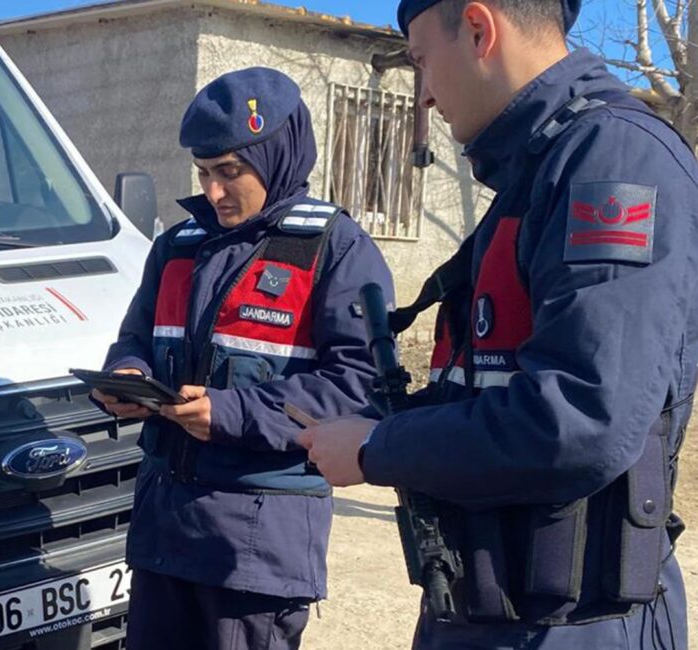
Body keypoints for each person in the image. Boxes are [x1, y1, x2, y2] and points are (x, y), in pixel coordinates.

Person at [298, 1, 695, 648]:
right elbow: (488, 390)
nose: (423, 96)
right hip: (494, 614)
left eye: (423, 61)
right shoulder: (538, 173)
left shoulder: (612, 162)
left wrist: (377, 449)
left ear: (479, 29)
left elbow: (581, 417)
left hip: (570, 627)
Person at [93, 67, 394, 650]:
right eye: (204, 173)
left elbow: (361, 388)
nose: (212, 191)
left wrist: (229, 413)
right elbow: (135, 338)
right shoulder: (176, 247)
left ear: (277, 154)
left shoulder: (335, 248)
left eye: (230, 172)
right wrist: (129, 376)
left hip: (255, 549)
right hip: (163, 532)